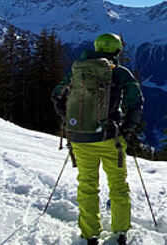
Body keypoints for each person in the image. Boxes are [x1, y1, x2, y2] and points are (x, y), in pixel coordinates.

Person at [52, 33, 144, 245]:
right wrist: (128, 127)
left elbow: (56, 95)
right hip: (109, 138)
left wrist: (69, 119)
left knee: (86, 185)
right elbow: (136, 100)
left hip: (79, 139)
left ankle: (89, 233)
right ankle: (120, 231)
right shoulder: (119, 72)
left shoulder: (77, 70)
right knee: (118, 185)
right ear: (117, 51)